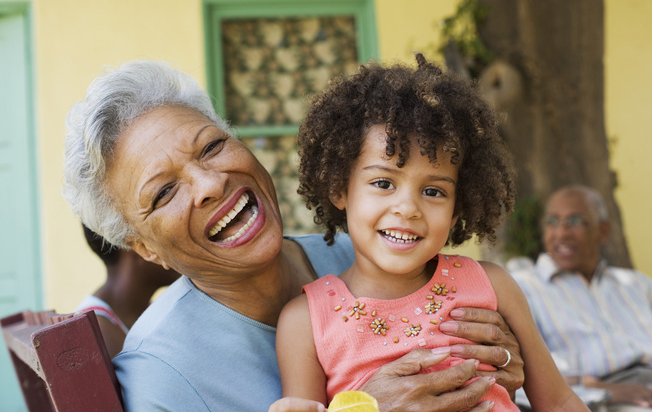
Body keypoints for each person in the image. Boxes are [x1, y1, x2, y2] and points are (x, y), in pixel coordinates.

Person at [62, 59, 525, 412]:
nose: (209, 184)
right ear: (145, 248)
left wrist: (497, 363)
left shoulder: (368, 255)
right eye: (164, 192)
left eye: (212, 146)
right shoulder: (162, 374)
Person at [271, 54, 587, 412]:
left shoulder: (493, 285)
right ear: (339, 188)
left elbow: (558, 401)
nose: (408, 208)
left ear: (457, 209)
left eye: (434, 191)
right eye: (383, 182)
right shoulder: (304, 322)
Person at [508, 185, 652, 411]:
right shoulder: (521, 288)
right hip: (592, 399)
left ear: (603, 231)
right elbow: (518, 377)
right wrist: (603, 391)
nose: (562, 233)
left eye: (575, 221)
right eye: (552, 222)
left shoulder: (636, 284)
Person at [75, 224, 180, 357]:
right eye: (161, 236)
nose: (178, 248)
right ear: (137, 247)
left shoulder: (148, 312)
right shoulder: (98, 333)